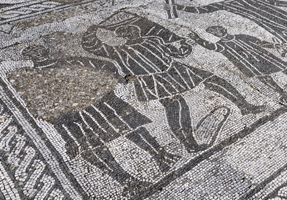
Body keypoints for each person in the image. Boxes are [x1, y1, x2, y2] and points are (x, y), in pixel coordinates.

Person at [80, 12, 265, 155]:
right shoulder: (117, 51)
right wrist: (91, 30)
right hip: (152, 80)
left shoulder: (154, 39)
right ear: (121, 36)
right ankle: (189, 144)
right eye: (126, 31)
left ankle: (244, 106)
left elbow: (177, 53)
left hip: (175, 69)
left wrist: (185, 48)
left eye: (132, 29)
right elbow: (92, 46)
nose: (132, 31)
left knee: (214, 80)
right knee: (176, 106)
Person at [22, 44, 179, 195]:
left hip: (100, 101)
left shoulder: (68, 61)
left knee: (128, 123)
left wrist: (112, 79)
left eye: (40, 52)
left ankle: (160, 156)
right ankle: (127, 181)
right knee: (91, 145)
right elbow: (37, 105)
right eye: (36, 54)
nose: (40, 56)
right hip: (74, 115)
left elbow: (102, 65)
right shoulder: (34, 77)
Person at [190, 26, 287, 103]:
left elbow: (260, 42)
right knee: (263, 76)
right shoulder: (221, 45)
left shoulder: (240, 36)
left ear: (224, 29)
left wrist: (273, 45)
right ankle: (282, 92)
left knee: (283, 67)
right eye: (215, 33)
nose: (217, 33)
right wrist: (197, 38)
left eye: (218, 30)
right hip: (247, 62)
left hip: (263, 55)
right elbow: (211, 47)